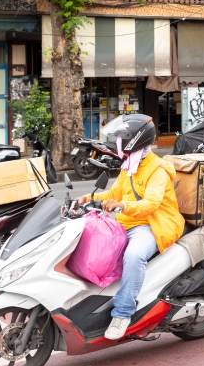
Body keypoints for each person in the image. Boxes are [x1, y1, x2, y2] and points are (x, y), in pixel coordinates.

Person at [78, 115, 184, 340]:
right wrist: (87, 198)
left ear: (135, 140)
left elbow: (151, 204)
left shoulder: (157, 169)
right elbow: (114, 193)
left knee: (134, 255)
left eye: (122, 138)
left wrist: (122, 206)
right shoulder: (130, 164)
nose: (119, 142)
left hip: (152, 224)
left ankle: (123, 313)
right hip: (125, 222)